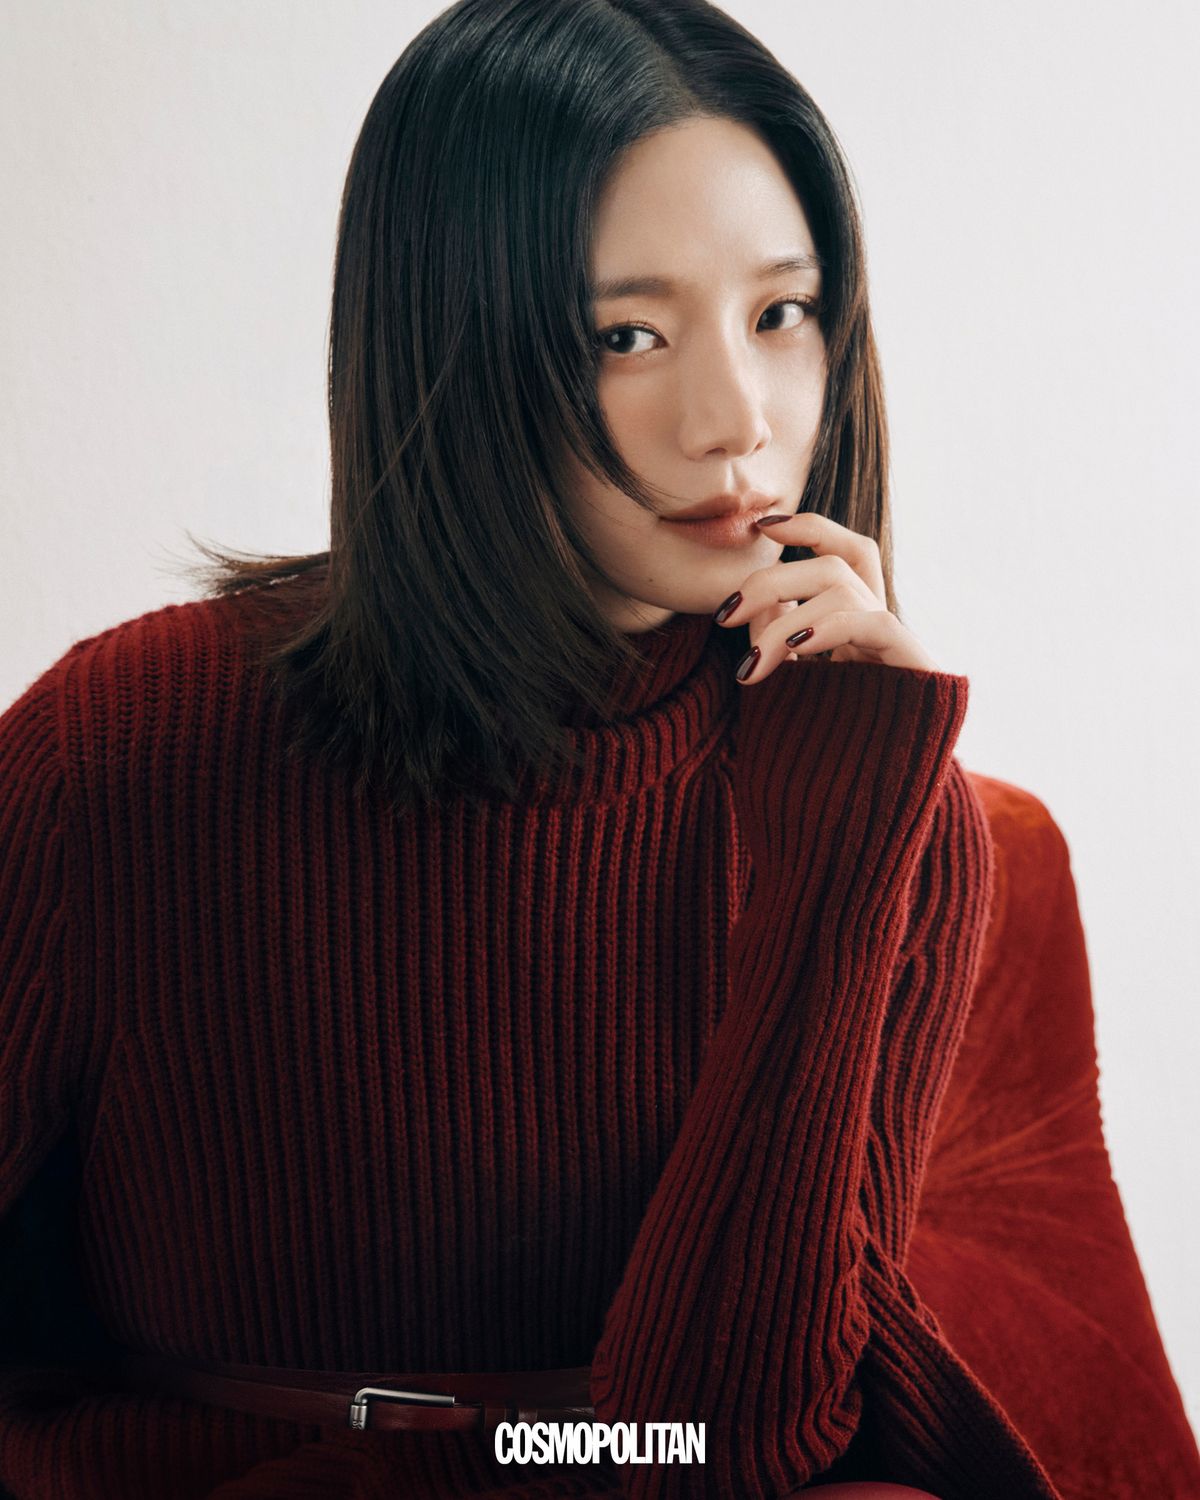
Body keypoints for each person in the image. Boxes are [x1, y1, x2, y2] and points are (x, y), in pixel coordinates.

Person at [0, 1, 1196, 1497]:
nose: (734, 421)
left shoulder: (894, 815)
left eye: (782, 314)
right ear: (446, 343)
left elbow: (729, 1451)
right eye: (625, 335)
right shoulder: (124, 753)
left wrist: (836, 862)